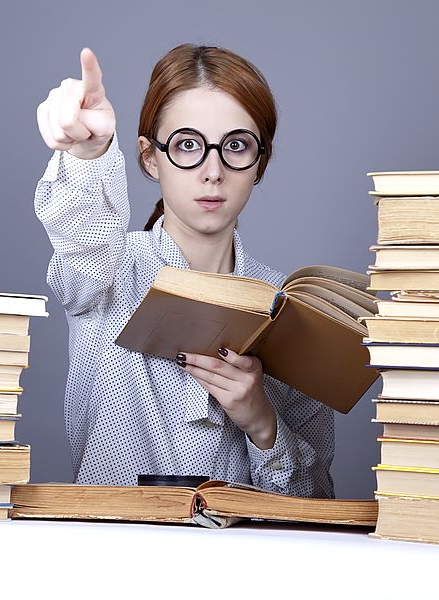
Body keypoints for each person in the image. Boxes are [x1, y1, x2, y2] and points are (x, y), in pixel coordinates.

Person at [34, 44, 334, 498]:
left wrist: (262, 422)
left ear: (260, 163)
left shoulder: (290, 310)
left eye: (236, 146)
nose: (212, 171)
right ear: (150, 157)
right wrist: (90, 153)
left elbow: (318, 504)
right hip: (106, 551)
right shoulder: (108, 269)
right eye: (187, 145)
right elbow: (81, 240)